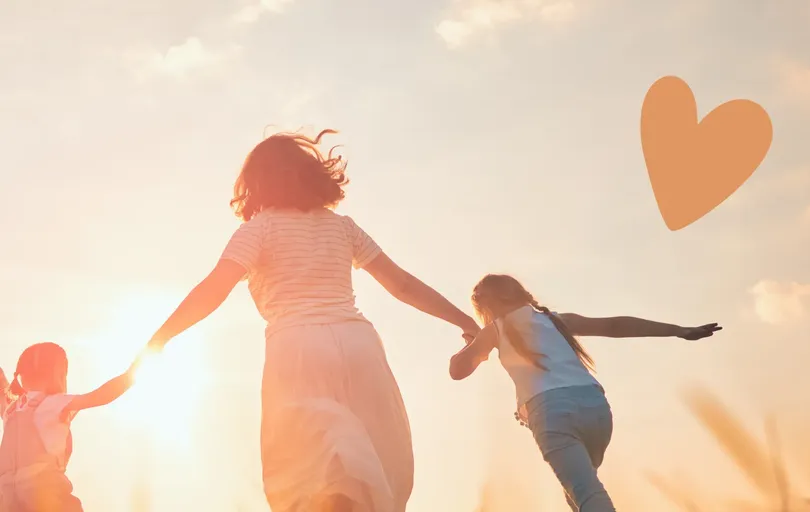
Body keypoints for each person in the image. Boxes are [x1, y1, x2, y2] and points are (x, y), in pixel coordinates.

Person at [144, 129, 479, 512]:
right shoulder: (343, 227)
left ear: (255, 183)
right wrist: (464, 320)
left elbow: (213, 290)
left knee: (308, 473)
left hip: (297, 347)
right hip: (360, 345)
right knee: (374, 468)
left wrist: (159, 339)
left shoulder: (258, 229)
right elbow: (401, 285)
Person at [449, 274, 721, 512]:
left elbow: (456, 370)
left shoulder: (493, 331)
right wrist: (679, 331)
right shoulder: (555, 320)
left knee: (588, 496)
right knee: (578, 496)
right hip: (596, 408)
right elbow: (615, 326)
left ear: (485, 306)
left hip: (552, 414)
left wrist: (473, 346)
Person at [0, 342, 143, 512]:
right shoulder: (53, 403)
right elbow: (101, 396)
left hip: (8, 500)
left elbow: (2, 386)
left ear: (22, 376)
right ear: (57, 375)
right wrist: (133, 372)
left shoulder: (12, 410)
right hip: (46, 497)